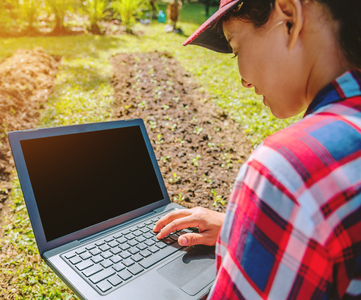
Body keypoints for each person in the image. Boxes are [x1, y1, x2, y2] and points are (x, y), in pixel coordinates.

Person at [153, 0, 361, 299]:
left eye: (236, 48)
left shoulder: (290, 170)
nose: (242, 81)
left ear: (288, 16)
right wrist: (243, 227)